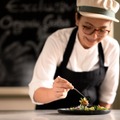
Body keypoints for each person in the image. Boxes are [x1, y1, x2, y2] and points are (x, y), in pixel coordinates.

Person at [29, 0, 120, 110]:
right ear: (77, 19)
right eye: (87, 27)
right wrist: (53, 93)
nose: (94, 36)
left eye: (102, 30)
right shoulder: (58, 40)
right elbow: (36, 93)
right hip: (50, 115)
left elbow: (107, 97)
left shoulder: (111, 47)